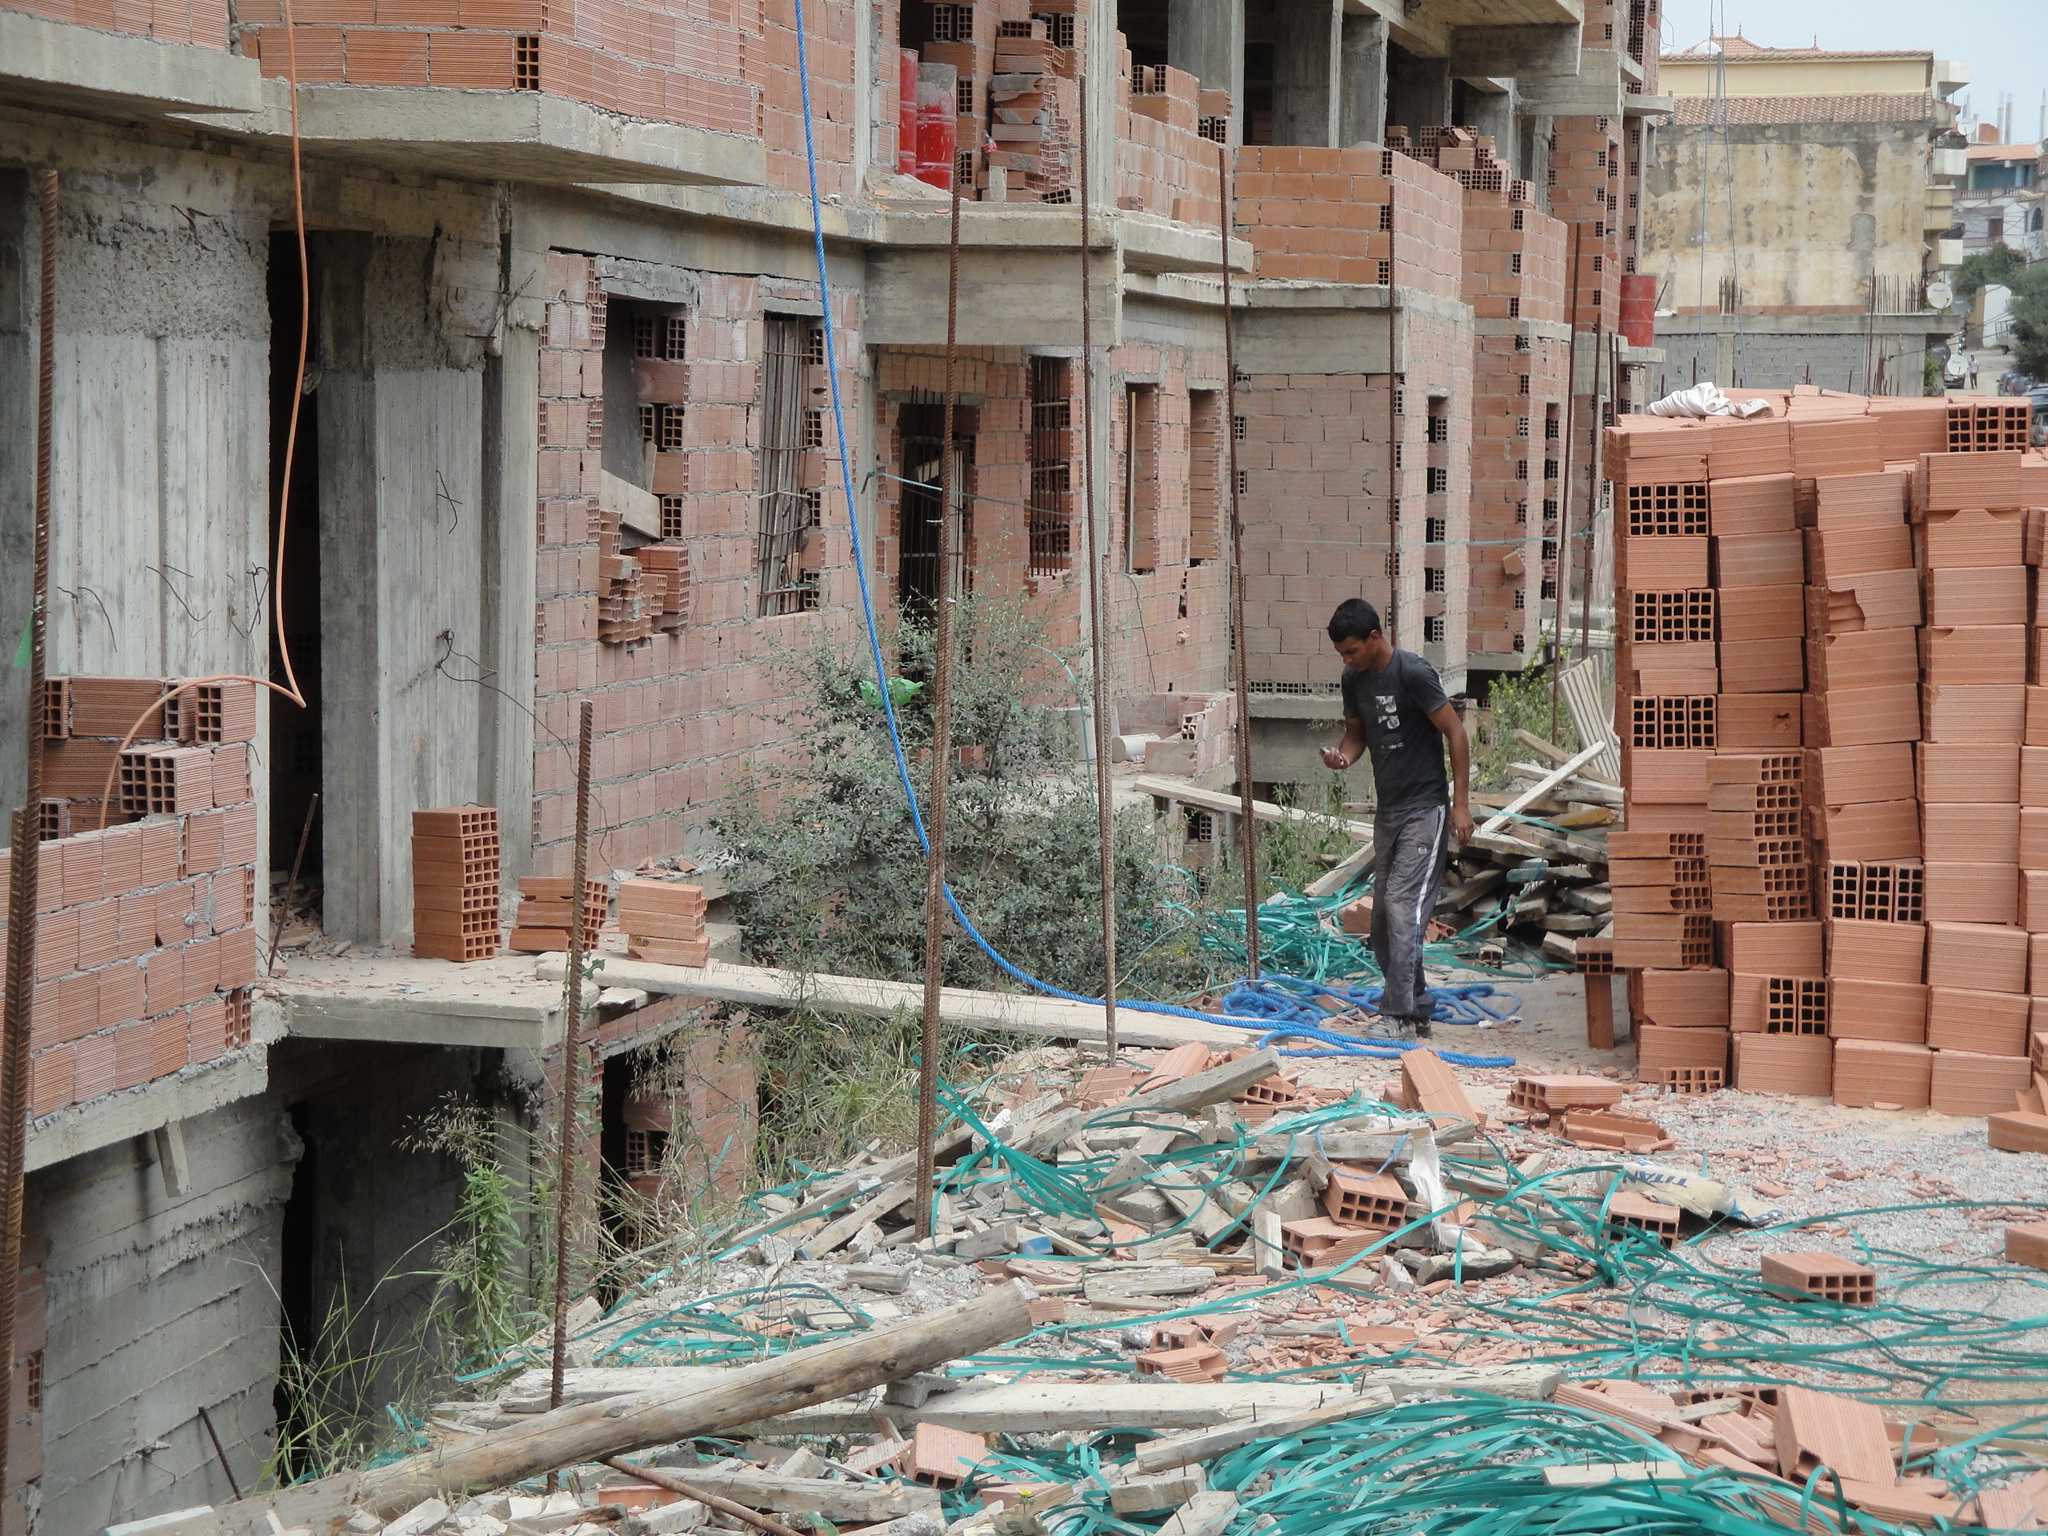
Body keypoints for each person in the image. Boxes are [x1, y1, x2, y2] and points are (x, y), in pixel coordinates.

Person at [1318, 598, 1473, 1039]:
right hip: (1389, 812)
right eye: (1341, 654)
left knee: (1403, 907)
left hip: (1426, 809)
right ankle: (1418, 1006)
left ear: (1374, 637)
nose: (1347, 660)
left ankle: (1398, 1016)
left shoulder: (1413, 673)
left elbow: (1456, 733)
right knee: (1384, 922)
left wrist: (1461, 804)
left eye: (1352, 651)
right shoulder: (1353, 679)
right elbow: (1355, 737)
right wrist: (1342, 758)